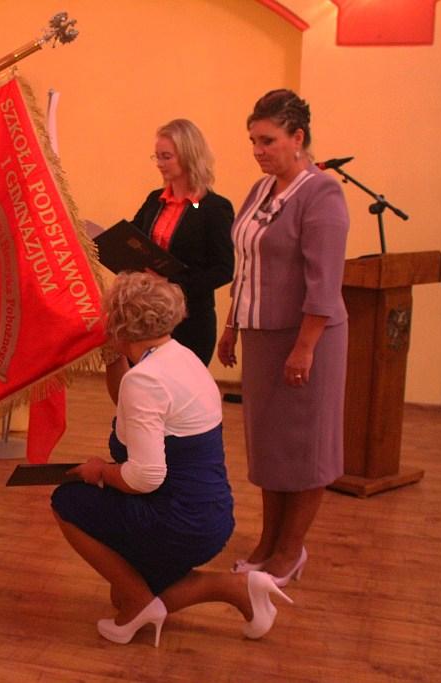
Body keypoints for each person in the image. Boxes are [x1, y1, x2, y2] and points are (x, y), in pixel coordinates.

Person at [53, 272, 291, 647]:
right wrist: (115, 356)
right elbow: (133, 408)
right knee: (128, 580)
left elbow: (145, 476)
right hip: (211, 513)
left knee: (66, 501)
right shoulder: (181, 359)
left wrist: (100, 470)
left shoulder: (145, 380)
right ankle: (237, 589)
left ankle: (139, 604)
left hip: (180, 521)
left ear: (118, 323)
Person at [217, 89, 349, 585]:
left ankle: (290, 552)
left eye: (268, 140)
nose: (258, 150)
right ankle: (268, 541)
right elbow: (246, 264)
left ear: (298, 138)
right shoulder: (260, 190)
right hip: (261, 334)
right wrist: (231, 325)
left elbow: (324, 282)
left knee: (304, 449)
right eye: (253, 141)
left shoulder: (322, 194)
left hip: (306, 339)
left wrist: (305, 347)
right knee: (270, 447)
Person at [129, 119, 234, 366]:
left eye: (167, 157)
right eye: (156, 157)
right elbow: (132, 239)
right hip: (147, 316)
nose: (160, 164)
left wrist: (172, 283)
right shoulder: (155, 200)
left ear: (188, 156)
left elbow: (223, 269)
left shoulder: (213, 208)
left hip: (190, 320)